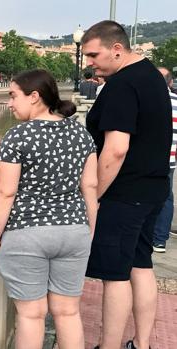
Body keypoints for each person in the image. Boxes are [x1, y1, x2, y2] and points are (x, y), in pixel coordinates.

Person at [0, 69, 97, 349]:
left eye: (13, 96)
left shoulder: (18, 136)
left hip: (27, 233)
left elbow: (5, 191)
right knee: (68, 312)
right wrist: (89, 229)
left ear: (35, 97)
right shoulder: (80, 133)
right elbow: (90, 186)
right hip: (73, 231)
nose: (10, 103)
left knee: (31, 315)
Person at [81, 21, 172, 349]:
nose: (89, 61)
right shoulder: (151, 75)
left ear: (116, 49)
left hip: (124, 195)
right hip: (153, 189)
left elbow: (116, 148)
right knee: (141, 265)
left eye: (94, 54)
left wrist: (94, 194)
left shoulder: (121, 85)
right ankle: (142, 344)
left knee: (115, 275)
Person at [151, 67, 177, 253]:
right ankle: (160, 239)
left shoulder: (146, 100)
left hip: (147, 157)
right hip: (171, 158)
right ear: (170, 83)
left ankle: (144, 235)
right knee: (167, 197)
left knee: (142, 195)